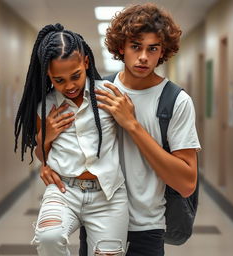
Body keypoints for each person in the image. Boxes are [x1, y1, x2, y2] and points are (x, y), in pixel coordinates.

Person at [39, 3, 201, 256]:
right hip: (95, 219)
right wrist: (46, 160)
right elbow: (62, 147)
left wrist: (133, 125)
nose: (144, 57)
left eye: (153, 48)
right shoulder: (94, 91)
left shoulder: (176, 101)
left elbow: (187, 183)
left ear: (163, 52)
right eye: (136, 46)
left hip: (145, 228)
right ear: (121, 48)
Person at [14, 23, 129, 256]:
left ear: (86, 63)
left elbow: (130, 133)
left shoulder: (108, 94)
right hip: (64, 189)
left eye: (75, 76)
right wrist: (45, 136)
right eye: (59, 80)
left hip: (108, 194)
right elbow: (42, 153)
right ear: (48, 75)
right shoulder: (44, 107)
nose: (70, 86)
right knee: (49, 237)